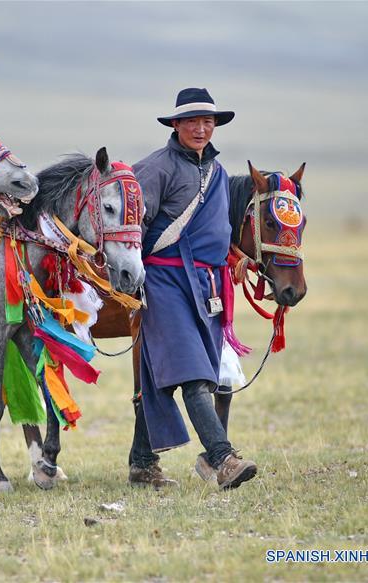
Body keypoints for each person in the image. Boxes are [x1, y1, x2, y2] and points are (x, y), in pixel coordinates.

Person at [127, 87, 257, 490]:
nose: (201, 129)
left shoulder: (217, 173)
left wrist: (235, 258)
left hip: (206, 286)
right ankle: (222, 458)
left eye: (208, 122)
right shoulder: (156, 168)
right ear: (176, 124)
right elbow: (132, 228)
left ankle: (142, 463)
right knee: (193, 373)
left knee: (165, 374)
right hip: (164, 281)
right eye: (192, 122)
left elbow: (217, 230)